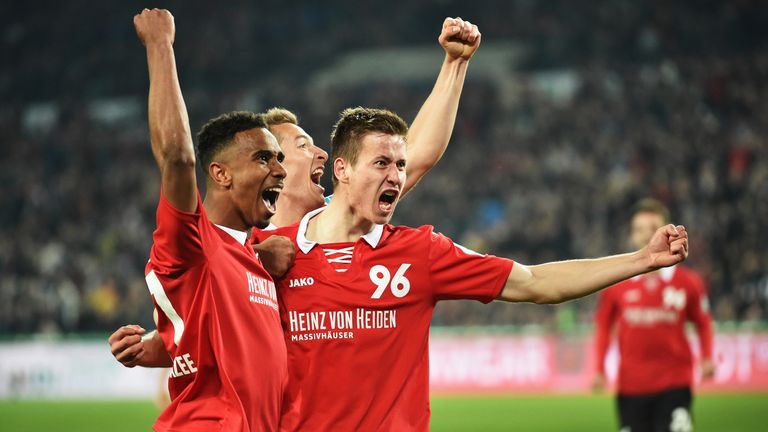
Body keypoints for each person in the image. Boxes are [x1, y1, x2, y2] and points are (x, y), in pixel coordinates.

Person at [261, 107, 691, 430]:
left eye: (400, 166)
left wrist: (641, 260)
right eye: (381, 164)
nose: (395, 176)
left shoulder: (420, 253)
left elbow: (536, 282)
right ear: (343, 170)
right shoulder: (269, 254)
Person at [110, 14, 482, 367]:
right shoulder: (236, 247)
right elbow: (196, 329)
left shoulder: (337, 220)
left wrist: (454, 65)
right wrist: (146, 348)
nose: (322, 152)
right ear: (272, 167)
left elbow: (415, 156)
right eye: (303, 146)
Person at [131, 9, 288, 431]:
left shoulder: (253, 253)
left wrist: (153, 345)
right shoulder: (193, 240)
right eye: (262, 158)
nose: (280, 169)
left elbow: (207, 335)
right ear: (220, 174)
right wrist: (160, 44)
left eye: (280, 158)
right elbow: (178, 159)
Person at [592, 198, 715, 432]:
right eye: (639, 229)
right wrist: (598, 368)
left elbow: (703, 322)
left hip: (675, 384)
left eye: (652, 228)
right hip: (630, 387)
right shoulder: (616, 284)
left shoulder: (689, 282)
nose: (646, 235)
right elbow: (603, 328)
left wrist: (707, 357)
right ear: (631, 235)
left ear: (667, 231)